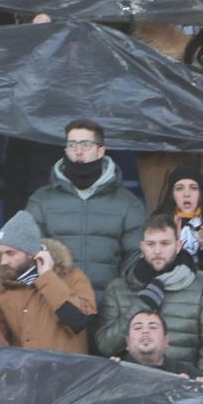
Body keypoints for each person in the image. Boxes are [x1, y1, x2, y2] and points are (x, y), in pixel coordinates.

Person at [96, 215, 203, 378]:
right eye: (151, 244)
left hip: (186, 388)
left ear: (178, 246)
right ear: (142, 247)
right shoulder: (118, 288)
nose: (157, 251)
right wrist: (142, 304)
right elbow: (105, 346)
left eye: (165, 243)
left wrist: (200, 389)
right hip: (132, 386)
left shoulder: (201, 283)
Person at [25, 120, 147, 289]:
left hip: (108, 308)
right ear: (66, 150)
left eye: (86, 144)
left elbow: (135, 261)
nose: (78, 151)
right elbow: (28, 256)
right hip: (56, 305)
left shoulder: (128, 203)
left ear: (100, 151)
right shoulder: (41, 200)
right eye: (72, 144)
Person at [0, 211, 96, 353]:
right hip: (25, 373)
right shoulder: (3, 288)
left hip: (67, 373)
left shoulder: (73, 277)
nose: (3, 261)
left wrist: (47, 278)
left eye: (10, 253)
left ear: (32, 252)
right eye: (1, 253)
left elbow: (79, 321)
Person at [118, 310, 198, 376]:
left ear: (166, 340)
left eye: (153, 327)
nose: (145, 331)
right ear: (127, 342)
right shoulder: (115, 371)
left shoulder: (188, 373)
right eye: (138, 328)